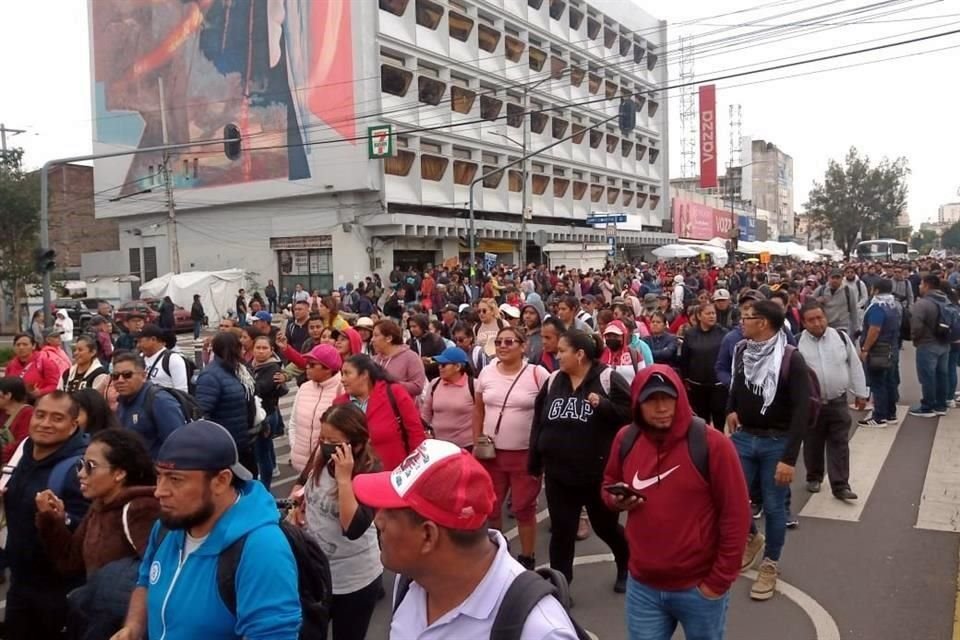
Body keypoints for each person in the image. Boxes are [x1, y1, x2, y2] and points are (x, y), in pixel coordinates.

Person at [353, 439, 580, 639]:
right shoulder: (410, 582)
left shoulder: (539, 631)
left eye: (390, 513)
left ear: (428, 535)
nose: (377, 520)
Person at [112, 420, 301, 639]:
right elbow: (145, 581)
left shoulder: (262, 550)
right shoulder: (168, 525)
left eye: (175, 479)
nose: (159, 491)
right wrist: (134, 627)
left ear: (221, 481)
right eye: (159, 476)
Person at [602, 366, 749, 639]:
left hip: (698, 588)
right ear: (637, 403)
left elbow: (737, 515)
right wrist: (615, 500)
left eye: (668, 398)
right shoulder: (626, 439)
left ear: (680, 397)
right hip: (643, 587)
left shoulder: (713, 445)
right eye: (651, 400)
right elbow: (608, 481)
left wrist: (718, 582)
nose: (661, 407)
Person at [529, 330, 631, 589]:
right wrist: (535, 459)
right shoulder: (553, 381)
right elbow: (539, 422)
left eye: (563, 351)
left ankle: (627, 564)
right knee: (562, 532)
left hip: (596, 474)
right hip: (558, 474)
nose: (558, 355)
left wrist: (605, 406)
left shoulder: (608, 378)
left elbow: (631, 414)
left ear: (580, 354)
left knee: (605, 527)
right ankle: (561, 586)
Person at [35, 429, 160, 640]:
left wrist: (133, 626)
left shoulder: (140, 509)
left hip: (123, 627)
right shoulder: (99, 506)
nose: (81, 474)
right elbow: (69, 561)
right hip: (97, 619)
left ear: (119, 473)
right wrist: (51, 521)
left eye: (90, 467)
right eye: (80, 465)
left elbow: (155, 576)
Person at [727, 300, 810, 601]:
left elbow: (802, 412)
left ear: (763, 323)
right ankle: (752, 536)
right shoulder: (741, 350)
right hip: (744, 438)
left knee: (774, 506)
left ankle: (770, 563)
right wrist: (731, 410)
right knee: (734, 496)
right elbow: (736, 385)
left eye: (747, 318)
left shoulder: (791, 359)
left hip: (777, 442)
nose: (742, 322)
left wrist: (789, 458)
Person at [289, 404, 382, 640]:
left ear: (357, 444)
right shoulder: (321, 454)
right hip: (316, 571)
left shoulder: (369, 471)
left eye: (333, 440)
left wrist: (343, 478)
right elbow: (301, 484)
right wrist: (298, 504)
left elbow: (352, 528)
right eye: (323, 438)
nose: (325, 445)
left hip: (354, 579)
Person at [3, 392, 90, 639]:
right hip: (20, 583)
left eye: (57, 418)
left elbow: (90, 529)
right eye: (40, 415)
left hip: (59, 592)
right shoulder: (26, 452)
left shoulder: (80, 467)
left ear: (74, 425)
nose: (45, 423)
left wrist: (61, 518)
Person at [473, 326, 548, 569]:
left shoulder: (538, 374)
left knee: (524, 508)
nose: (503, 347)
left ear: (523, 346)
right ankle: (499, 556)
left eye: (509, 342)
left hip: (525, 455)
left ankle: (527, 558)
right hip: (491, 454)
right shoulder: (486, 373)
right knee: (491, 507)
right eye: (499, 342)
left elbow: (548, 413)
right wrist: (477, 440)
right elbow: (478, 409)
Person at [798, 302, 868, 500]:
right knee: (812, 442)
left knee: (840, 443)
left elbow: (854, 365)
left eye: (820, 318)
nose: (817, 323)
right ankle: (814, 476)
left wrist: (861, 393)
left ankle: (840, 485)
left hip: (838, 402)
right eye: (811, 320)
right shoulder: (797, 344)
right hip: (812, 405)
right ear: (803, 323)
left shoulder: (841, 338)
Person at [335, 355, 426, 470]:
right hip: (355, 475)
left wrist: (415, 467)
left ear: (364, 375)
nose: (342, 379)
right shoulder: (339, 404)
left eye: (347, 373)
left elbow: (415, 432)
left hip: (393, 473)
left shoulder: (394, 393)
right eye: (342, 374)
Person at [195, 332, 259, 477]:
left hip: (243, 440)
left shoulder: (239, 370)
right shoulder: (211, 375)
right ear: (232, 349)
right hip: (226, 445)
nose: (243, 350)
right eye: (240, 347)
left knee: (250, 481)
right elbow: (202, 412)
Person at [113, 352, 187, 459]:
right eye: (115, 376)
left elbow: (177, 445)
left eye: (127, 375)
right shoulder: (122, 401)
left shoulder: (160, 401)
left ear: (144, 376)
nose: (120, 380)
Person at [289, 345, 345, 473]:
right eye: (307, 364)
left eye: (313, 364)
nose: (307, 367)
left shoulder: (342, 390)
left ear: (328, 368)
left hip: (327, 467)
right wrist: (294, 447)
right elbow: (293, 423)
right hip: (301, 465)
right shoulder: (304, 388)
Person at [857, 279, 903, 426]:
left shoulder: (878, 306)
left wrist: (865, 349)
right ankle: (891, 414)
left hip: (879, 350)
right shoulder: (894, 305)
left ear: (875, 290)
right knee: (890, 382)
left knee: (878, 383)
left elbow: (874, 329)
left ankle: (879, 417)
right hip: (892, 348)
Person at [678, 303, 728, 429]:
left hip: (718, 386)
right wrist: (685, 378)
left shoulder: (723, 333)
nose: (712, 316)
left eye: (713, 313)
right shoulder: (690, 334)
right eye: (708, 313)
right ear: (699, 316)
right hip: (697, 386)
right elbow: (685, 358)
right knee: (701, 421)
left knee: (719, 420)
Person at [249, 335, 288, 488]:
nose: (260, 351)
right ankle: (272, 469)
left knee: (262, 453)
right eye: (258, 348)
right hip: (257, 414)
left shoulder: (273, 368)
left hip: (266, 415)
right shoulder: (251, 365)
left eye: (265, 348)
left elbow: (260, 388)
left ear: (272, 351)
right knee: (265, 447)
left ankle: (265, 486)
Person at [910, 274, 951, 417]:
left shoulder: (922, 304)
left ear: (927, 285)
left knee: (927, 376)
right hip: (944, 342)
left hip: (927, 343)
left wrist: (915, 339)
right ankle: (941, 405)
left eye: (921, 284)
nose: (920, 287)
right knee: (942, 375)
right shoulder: (945, 300)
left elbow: (916, 326)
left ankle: (927, 406)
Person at [420, 346, 476, 448]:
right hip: (438, 446)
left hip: (466, 447)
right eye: (439, 364)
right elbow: (426, 414)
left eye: (444, 365)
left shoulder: (474, 386)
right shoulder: (434, 384)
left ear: (458, 366)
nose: (439, 367)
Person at [371, 319, 427, 398]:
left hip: (401, 408)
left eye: (376, 335)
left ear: (389, 338)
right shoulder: (374, 360)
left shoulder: (411, 357)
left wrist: (390, 384)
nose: (372, 339)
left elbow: (418, 387)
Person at [136, 324, 190, 393]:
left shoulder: (173, 359)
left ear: (153, 339)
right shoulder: (139, 358)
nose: (138, 345)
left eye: (140, 341)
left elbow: (182, 392)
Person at [600, 319, 651, 386]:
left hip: (630, 394)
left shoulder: (634, 355)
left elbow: (644, 378)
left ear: (623, 336)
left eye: (615, 336)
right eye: (608, 336)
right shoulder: (600, 354)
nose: (612, 339)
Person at [25, 328, 72, 399]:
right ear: (48, 340)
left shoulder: (61, 351)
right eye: (56, 337)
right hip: (54, 391)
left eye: (59, 336)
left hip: (66, 386)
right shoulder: (44, 354)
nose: (59, 338)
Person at [815, 269, 859, 336]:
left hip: (842, 325)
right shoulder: (821, 290)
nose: (835, 280)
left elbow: (853, 310)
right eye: (833, 277)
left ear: (842, 278)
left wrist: (856, 328)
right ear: (828, 278)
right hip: (825, 325)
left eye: (838, 278)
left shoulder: (848, 291)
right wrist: (817, 301)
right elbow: (809, 304)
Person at [0, 376, 33, 463]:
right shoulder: (3, 412)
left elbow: (22, 443)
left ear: (8, 395)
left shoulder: (27, 414)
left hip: (12, 463)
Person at [407, 314, 446, 380]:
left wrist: (429, 361)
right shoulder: (410, 342)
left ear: (423, 326)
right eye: (410, 327)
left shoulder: (435, 340)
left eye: (414, 326)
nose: (412, 329)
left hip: (433, 378)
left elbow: (443, 360)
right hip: (416, 379)